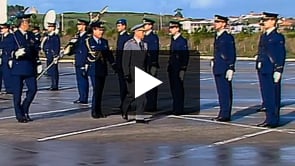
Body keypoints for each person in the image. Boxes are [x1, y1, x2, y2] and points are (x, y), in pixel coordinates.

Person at [256, 12, 286, 128]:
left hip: (272, 69)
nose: (264, 22)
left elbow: (280, 54)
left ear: (273, 21)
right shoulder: (264, 36)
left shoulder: (277, 37)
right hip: (263, 68)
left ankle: (273, 119)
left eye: (267, 20)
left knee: (273, 95)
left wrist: (279, 69)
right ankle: (268, 118)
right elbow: (261, 51)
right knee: (266, 95)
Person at [10, 13, 40, 123]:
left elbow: (36, 48)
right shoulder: (13, 36)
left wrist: (38, 62)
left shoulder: (31, 35)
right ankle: (19, 115)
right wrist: (15, 53)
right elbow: (8, 51)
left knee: (33, 89)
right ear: (22, 23)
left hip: (30, 67)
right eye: (27, 22)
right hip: (18, 67)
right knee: (17, 94)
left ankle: (25, 108)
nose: (29, 24)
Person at [85, 21, 117, 118]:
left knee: (101, 91)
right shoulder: (88, 42)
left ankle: (99, 110)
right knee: (96, 90)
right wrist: (83, 67)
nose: (101, 32)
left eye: (102, 30)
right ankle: (94, 111)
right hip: (93, 69)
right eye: (99, 30)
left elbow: (108, 55)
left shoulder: (104, 42)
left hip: (102, 69)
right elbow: (85, 55)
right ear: (94, 30)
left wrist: (114, 65)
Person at [122, 23, 149, 123]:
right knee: (132, 95)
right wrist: (126, 73)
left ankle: (139, 117)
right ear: (136, 32)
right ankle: (124, 108)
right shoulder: (129, 44)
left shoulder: (145, 45)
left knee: (142, 96)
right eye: (142, 32)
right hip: (132, 73)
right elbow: (125, 60)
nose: (144, 34)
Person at [211, 15, 236, 122]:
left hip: (225, 67)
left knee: (225, 91)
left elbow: (231, 53)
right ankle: (222, 112)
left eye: (217, 22)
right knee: (220, 91)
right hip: (218, 66)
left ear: (223, 24)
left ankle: (225, 113)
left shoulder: (227, 37)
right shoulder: (217, 36)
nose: (215, 23)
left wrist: (231, 67)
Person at [167, 21, 189, 115]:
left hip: (178, 68)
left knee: (178, 89)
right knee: (174, 88)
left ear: (177, 28)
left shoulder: (181, 41)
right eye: (170, 28)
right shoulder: (174, 40)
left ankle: (179, 108)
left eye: (172, 28)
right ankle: (175, 107)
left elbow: (185, 56)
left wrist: (183, 69)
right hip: (172, 68)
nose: (170, 29)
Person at [142, 18, 160, 112]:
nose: (144, 26)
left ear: (150, 26)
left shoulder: (153, 37)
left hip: (151, 64)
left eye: (146, 25)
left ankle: (152, 105)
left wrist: (153, 63)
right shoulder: (144, 37)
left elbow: (153, 51)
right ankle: (147, 103)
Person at [72, 19, 90, 104]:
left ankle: (84, 98)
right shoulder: (77, 36)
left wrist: (86, 62)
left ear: (84, 26)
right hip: (78, 60)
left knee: (83, 80)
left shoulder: (87, 37)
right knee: (79, 80)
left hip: (83, 61)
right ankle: (81, 96)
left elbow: (87, 51)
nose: (78, 26)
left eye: (80, 25)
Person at [115, 19, 131, 109]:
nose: (118, 27)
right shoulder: (120, 36)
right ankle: (123, 102)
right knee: (122, 85)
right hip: (120, 64)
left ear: (124, 26)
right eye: (117, 26)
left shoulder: (127, 37)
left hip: (125, 64)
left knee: (126, 86)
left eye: (119, 26)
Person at [42, 22, 60, 91]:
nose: (48, 28)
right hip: (48, 54)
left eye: (50, 27)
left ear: (53, 28)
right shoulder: (48, 36)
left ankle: (55, 85)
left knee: (54, 71)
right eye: (48, 27)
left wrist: (56, 55)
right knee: (51, 71)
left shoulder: (55, 36)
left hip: (53, 55)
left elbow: (56, 46)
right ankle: (53, 84)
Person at [0, 23, 14, 94]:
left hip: (6, 57)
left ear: (7, 29)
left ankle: (9, 89)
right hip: (1, 57)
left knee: (7, 74)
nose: (1, 30)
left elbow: (8, 46)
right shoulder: (1, 36)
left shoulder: (11, 37)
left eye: (2, 28)